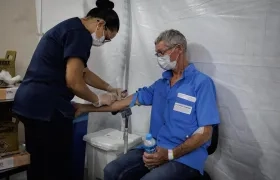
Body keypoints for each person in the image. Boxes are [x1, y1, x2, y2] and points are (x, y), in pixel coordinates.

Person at [74, 29, 221, 180]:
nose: (159, 58)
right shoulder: (160, 85)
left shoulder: (201, 84)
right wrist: (85, 108)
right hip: (155, 149)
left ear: (179, 49)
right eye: (157, 54)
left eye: (161, 52)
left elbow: (205, 133)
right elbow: (120, 104)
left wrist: (170, 154)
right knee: (111, 171)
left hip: (186, 158)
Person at [12, 0, 124, 180]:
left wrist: (110, 87)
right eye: (107, 38)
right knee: (56, 166)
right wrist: (97, 99)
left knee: (40, 163)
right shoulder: (81, 35)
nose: (104, 41)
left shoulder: (70, 27)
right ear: (100, 24)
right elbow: (73, 81)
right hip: (45, 109)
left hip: (29, 104)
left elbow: (83, 72)